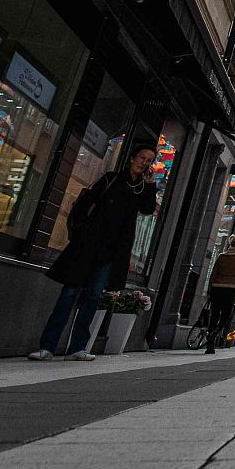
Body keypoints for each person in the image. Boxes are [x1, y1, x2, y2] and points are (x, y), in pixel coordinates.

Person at [31, 142, 158, 362]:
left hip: (111, 253)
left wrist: (150, 185)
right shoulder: (110, 179)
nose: (144, 163)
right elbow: (85, 203)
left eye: (149, 160)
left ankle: (77, 347)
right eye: (141, 158)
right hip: (87, 248)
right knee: (68, 295)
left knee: (92, 298)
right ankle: (47, 346)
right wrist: (81, 232)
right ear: (132, 158)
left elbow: (147, 209)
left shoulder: (141, 189)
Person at [202, 233, 235, 354]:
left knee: (214, 314)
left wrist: (209, 289)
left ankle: (210, 346)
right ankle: (215, 333)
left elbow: (213, 273)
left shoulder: (222, 256)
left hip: (216, 288)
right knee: (226, 315)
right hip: (230, 289)